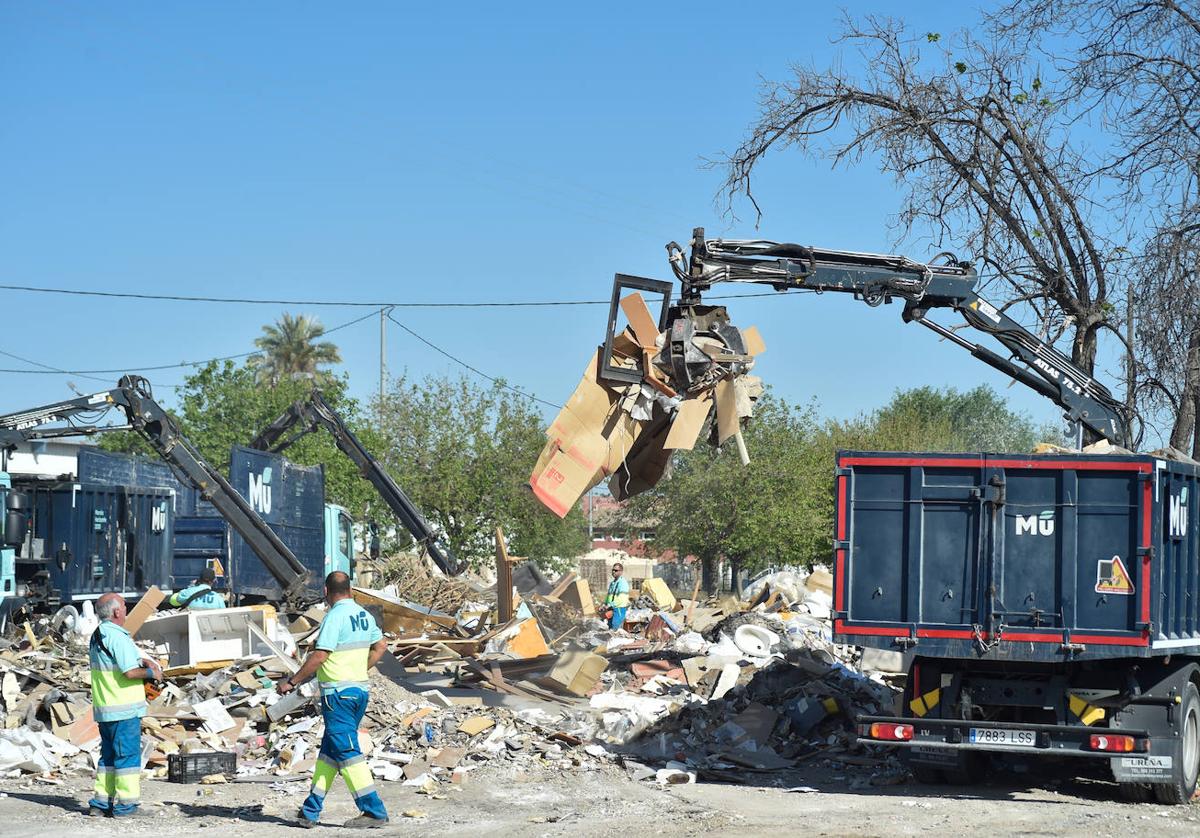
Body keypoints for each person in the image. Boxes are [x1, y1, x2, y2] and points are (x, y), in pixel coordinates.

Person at [277, 571, 389, 829]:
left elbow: (320, 656)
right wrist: (361, 668)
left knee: (348, 752)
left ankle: (373, 810)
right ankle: (310, 811)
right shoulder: (364, 615)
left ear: (326, 592)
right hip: (359, 692)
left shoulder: (334, 617)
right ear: (349, 589)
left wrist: (292, 682)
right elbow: (381, 646)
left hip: (338, 695)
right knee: (330, 753)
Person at [87, 592, 163, 818]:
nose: (127, 610)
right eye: (124, 606)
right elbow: (129, 672)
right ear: (117, 611)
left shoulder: (98, 635)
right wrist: (152, 672)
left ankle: (100, 805)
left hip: (105, 708)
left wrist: (141, 662)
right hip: (124, 708)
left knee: (108, 759)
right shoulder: (117, 637)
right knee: (128, 759)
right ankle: (126, 807)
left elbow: (115, 665)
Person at [605, 563, 631, 630]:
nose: (613, 572)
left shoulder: (623, 583)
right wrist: (605, 604)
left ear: (621, 572)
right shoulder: (612, 583)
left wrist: (610, 605)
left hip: (619, 609)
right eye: (613, 570)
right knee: (610, 628)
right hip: (611, 608)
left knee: (615, 628)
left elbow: (621, 599)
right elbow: (609, 596)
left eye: (616, 570)